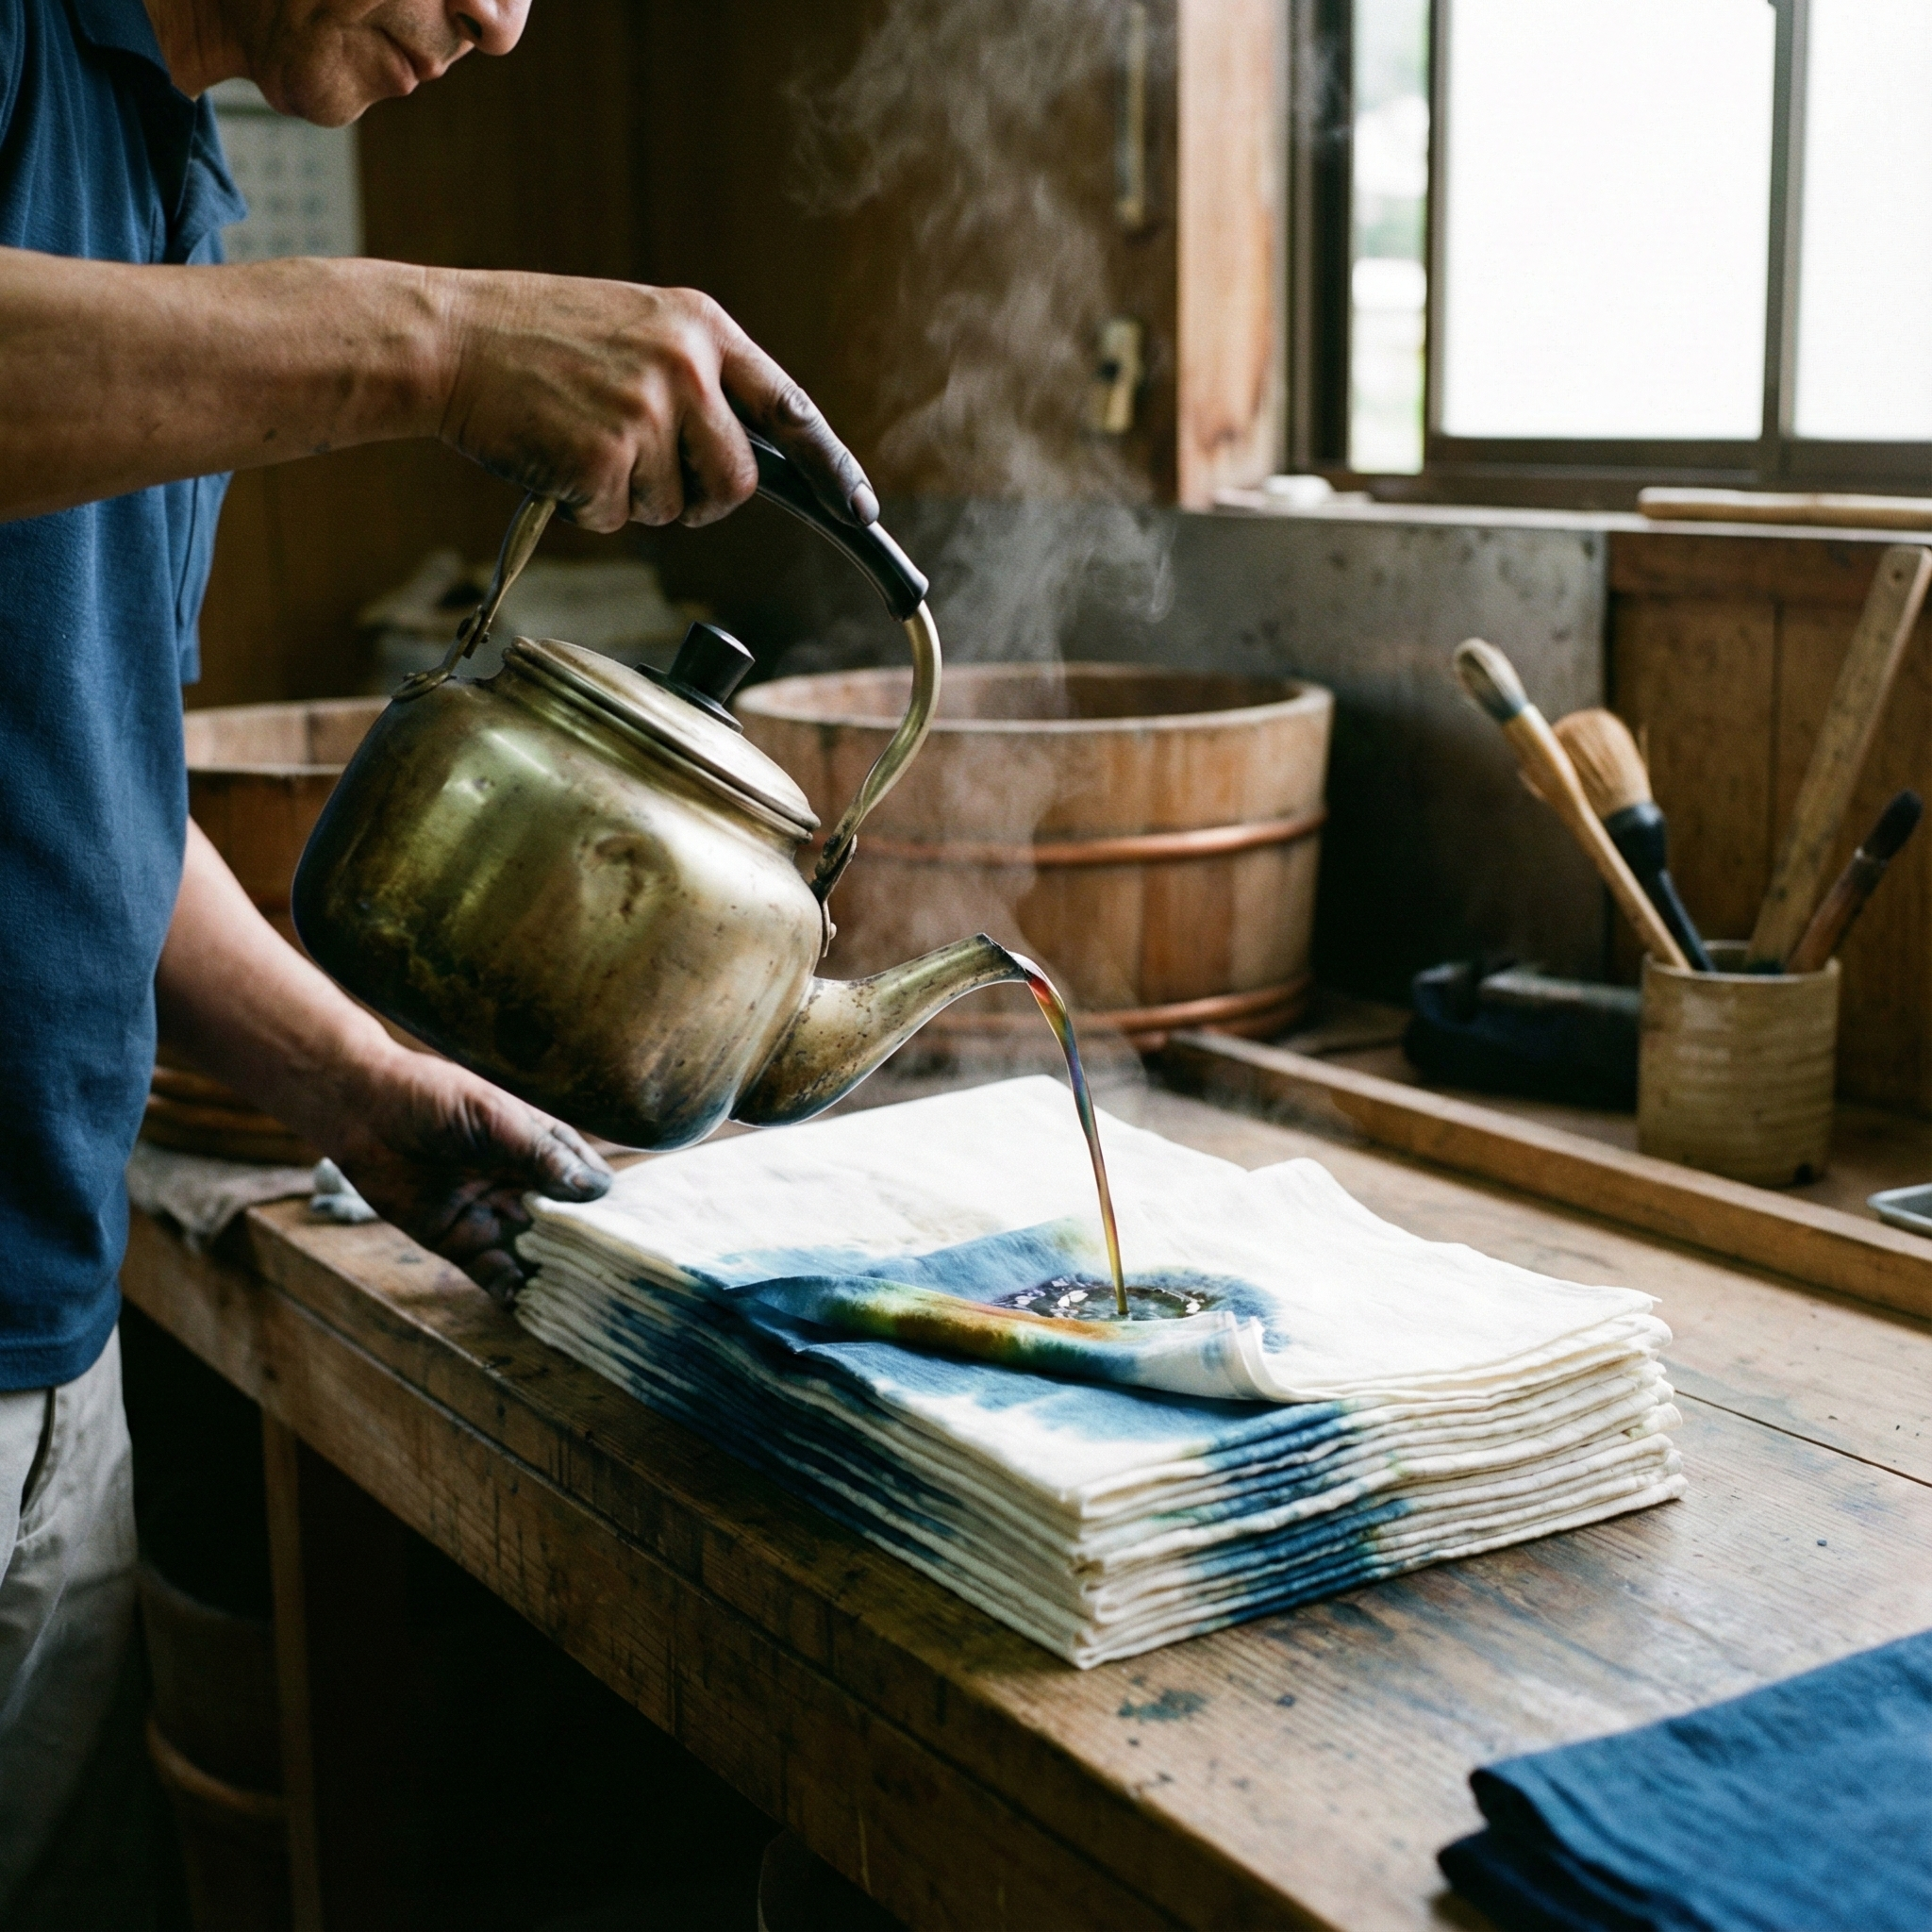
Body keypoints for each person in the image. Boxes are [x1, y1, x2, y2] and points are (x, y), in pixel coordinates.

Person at [0, 0, 877, 1913]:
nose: (500, 18)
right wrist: (445, 340)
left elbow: (74, 770)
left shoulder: (167, 165)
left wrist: (348, 1076)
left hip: (44, 1332)